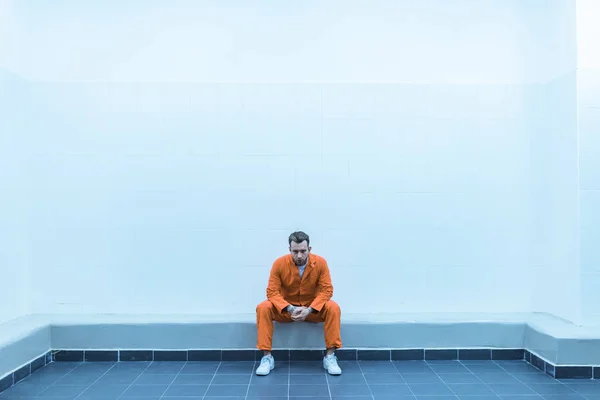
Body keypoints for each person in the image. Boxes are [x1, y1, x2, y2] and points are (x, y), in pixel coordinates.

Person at [255, 231, 342, 376]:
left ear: (309, 249)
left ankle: (330, 357)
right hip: (286, 310)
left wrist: (310, 309)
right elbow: (272, 292)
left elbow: (327, 290)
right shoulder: (279, 264)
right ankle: (267, 358)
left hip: (312, 309)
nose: (299, 255)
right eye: (295, 251)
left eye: (303, 251)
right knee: (263, 307)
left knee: (333, 307)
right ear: (289, 250)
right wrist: (289, 308)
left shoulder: (320, 263)